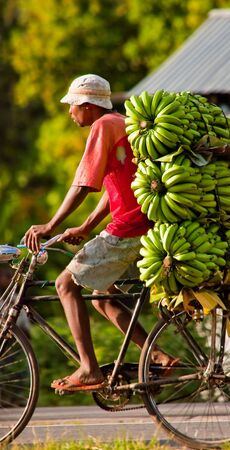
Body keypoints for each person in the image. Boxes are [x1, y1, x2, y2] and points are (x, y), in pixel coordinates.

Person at [24, 74, 173, 393]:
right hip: (144, 223)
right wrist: (85, 227)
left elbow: (83, 184)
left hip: (130, 226)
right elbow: (117, 186)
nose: (70, 113)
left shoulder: (102, 127)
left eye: (73, 106)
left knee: (65, 284)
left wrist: (49, 225)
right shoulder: (121, 123)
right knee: (101, 297)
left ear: (88, 106)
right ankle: (156, 354)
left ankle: (89, 369)